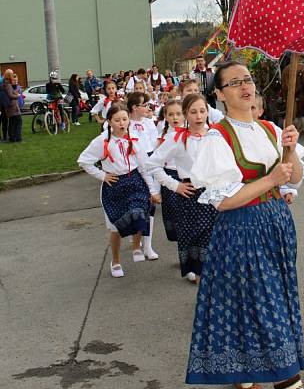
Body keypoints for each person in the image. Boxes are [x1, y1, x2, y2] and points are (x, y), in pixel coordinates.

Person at [185, 61, 304, 389]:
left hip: (277, 228)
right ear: (218, 94)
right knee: (270, 317)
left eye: (247, 80)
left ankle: (241, 368)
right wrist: (270, 179)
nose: (244, 87)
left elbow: (296, 176)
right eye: (233, 83)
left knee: (259, 308)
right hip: (242, 232)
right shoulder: (217, 138)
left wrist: (290, 149)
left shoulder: (270, 129)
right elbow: (224, 202)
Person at [78, 102, 161, 276]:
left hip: (134, 181)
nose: (122, 123)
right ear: (109, 121)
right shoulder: (102, 141)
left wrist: (152, 190)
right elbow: (83, 160)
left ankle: (136, 245)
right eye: (117, 120)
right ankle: (115, 261)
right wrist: (103, 175)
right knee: (116, 228)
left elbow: (144, 166)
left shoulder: (134, 138)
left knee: (141, 211)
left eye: (124, 119)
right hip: (114, 185)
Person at [148, 93, 217, 283]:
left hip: (214, 195)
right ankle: (198, 275)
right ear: (186, 114)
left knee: (214, 240)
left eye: (202, 111)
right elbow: (151, 164)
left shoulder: (215, 135)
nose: (198, 116)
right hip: (190, 195)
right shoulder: (177, 138)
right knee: (195, 239)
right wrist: (175, 185)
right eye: (193, 112)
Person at [127, 91, 159, 260]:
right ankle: (136, 238)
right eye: (144, 105)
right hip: (134, 167)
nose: (147, 108)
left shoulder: (149, 123)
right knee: (136, 206)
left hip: (150, 162)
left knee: (151, 205)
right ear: (134, 107)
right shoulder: (126, 123)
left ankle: (148, 245)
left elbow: (154, 143)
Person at [1, 70, 22, 143]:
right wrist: (17, 96)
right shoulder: (8, 85)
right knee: (17, 122)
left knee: (12, 123)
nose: (13, 75)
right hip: (12, 106)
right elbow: (10, 95)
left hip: (9, 106)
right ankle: (17, 138)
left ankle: (12, 138)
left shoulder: (4, 83)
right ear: (9, 75)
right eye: (12, 74)